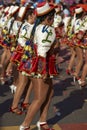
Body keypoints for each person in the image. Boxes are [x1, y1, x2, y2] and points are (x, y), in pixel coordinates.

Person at [19, 1, 58, 130]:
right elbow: (42, 51)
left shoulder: (37, 27)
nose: (55, 19)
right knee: (39, 97)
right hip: (41, 64)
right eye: (53, 17)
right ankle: (25, 125)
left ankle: (42, 121)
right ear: (48, 18)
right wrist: (43, 70)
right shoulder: (48, 30)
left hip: (35, 62)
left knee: (50, 92)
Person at [10, 6, 36, 114]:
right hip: (26, 55)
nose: (36, 16)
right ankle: (14, 106)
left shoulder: (28, 25)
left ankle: (25, 101)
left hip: (29, 54)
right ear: (30, 15)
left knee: (31, 79)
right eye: (34, 14)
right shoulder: (27, 26)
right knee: (23, 81)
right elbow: (23, 41)